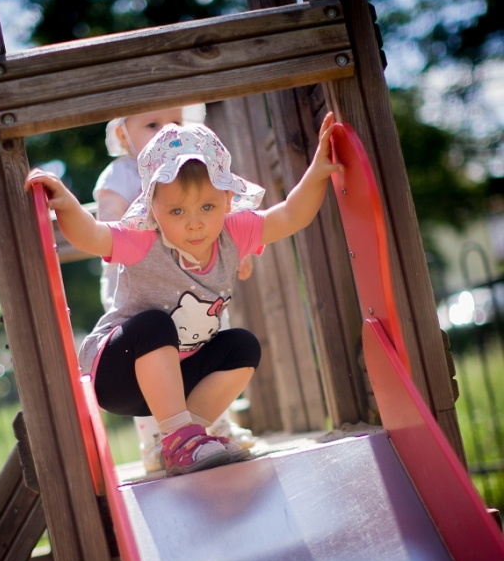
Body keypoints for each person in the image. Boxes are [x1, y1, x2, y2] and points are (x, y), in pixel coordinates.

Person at [25, 114, 341, 477]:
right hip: (119, 371)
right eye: (177, 210)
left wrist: (318, 172)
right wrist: (66, 203)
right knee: (156, 325)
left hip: (175, 376)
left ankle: (184, 439)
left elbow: (288, 217)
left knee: (242, 346)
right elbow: (93, 236)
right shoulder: (144, 239)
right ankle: (180, 437)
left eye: (207, 207)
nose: (195, 223)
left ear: (227, 200)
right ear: (153, 208)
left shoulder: (232, 234)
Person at [94, 106, 255, 473]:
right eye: (151, 124)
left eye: (176, 122)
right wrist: (120, 230)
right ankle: (156, 440)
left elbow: (222, 221)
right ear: (122, 136)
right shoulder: (125, 172)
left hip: (196, 286)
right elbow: (108, 218)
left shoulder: (193, 173)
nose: (167, 130)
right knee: (152, 358)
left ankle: (214, 426)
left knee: (209, 341)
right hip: (142, 293)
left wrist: (238, 253)